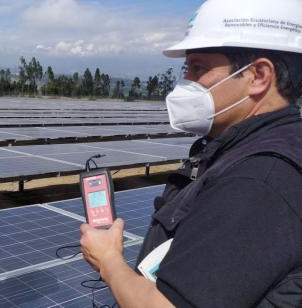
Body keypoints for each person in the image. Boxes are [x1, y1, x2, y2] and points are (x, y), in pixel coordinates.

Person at [80, 0, 302, 307]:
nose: (186, 83)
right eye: (188, 68)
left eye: (199, 68)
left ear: (259, 76)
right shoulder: (244, 151)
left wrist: (108, 260)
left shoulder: (258, 182)